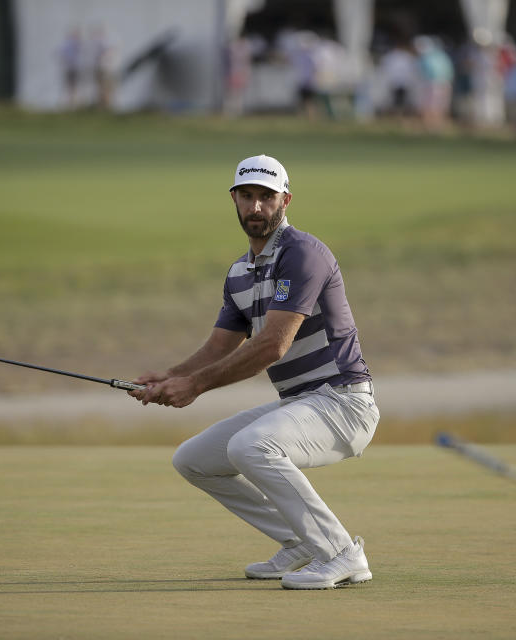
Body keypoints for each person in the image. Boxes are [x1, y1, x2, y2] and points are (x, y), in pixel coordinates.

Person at [129, 154, 379, 590]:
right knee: (193, 460)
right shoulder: (240, 272)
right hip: (303, 404)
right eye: (247, 196)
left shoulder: (303, 253)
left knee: (250, 446)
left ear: (285, 199)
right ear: (234, 200)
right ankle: (299, 541)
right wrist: (168, 378)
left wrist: (195, 386)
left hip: (344, 401)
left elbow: (271, 345)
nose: (256, 207)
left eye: (266, 196)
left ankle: (342, 553)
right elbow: (218, 347)